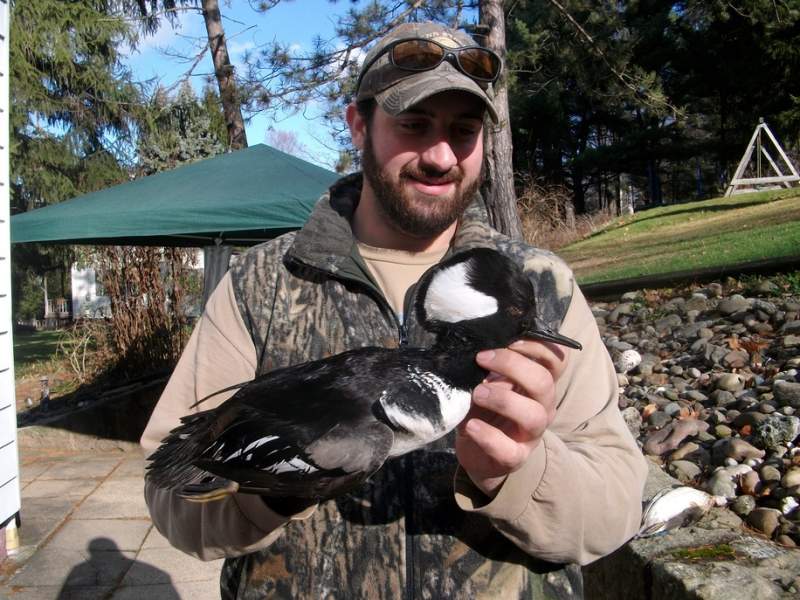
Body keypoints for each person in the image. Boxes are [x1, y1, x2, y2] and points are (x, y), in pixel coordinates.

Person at [141, 21, 648, 599]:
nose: (439, 155)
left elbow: (612, 516)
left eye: (463, 129)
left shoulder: (542, 287)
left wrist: (516, 472)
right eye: (413, 124)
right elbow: (172, 491)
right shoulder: (262, 282)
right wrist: (290, 476)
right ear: (359, 123)